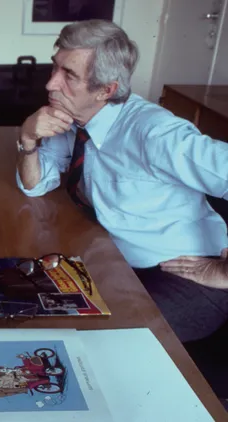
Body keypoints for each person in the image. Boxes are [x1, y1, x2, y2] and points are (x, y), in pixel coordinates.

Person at [15, 20, 228, 344]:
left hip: (186, 276)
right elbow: (35, 185)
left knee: (97, 344)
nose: (51, 83)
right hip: (120, 262)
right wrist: (28, 138)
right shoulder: (73, 117)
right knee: (33, 308)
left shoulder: (154, 132)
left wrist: (224, 273)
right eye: (55, 67)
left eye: (69, 75)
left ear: (106, 90)